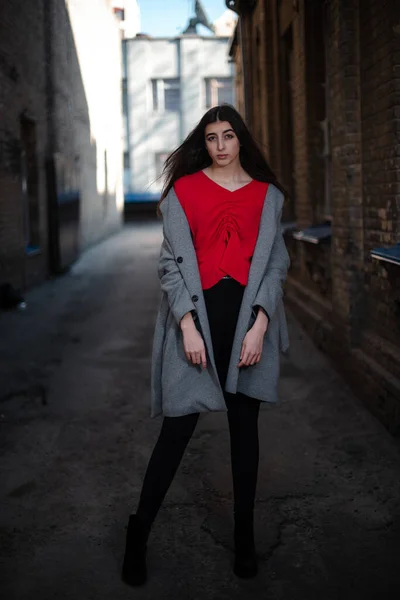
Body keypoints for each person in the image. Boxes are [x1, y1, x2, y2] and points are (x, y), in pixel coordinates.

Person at [122, 104, 290, 586]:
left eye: (228, 136)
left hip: (246, 325)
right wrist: (188, 327)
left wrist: (259, 325)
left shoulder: (267, 196)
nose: (220, 146)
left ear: (242, 141)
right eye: (212, 137)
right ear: (205, 142)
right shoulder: (185, 191)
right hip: (194, 325)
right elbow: (169, 264)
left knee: (245, 435)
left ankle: (244, 540)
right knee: (175, 434)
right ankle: (138, 532)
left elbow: (276, 265)